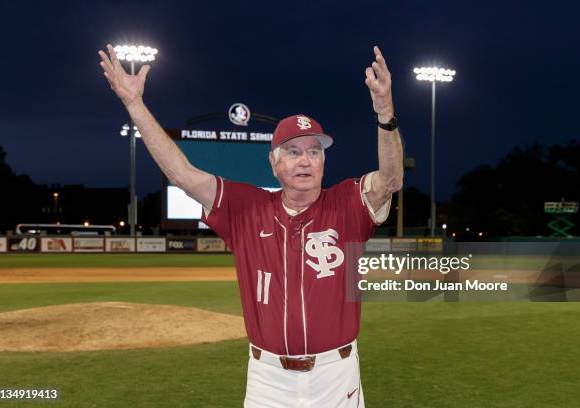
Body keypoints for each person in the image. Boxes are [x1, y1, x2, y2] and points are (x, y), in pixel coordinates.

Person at [99, 44, 403, 407]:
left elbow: (390, 179)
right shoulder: (246, 208)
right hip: (268, 379)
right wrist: (135, 104)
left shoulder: (348, 203)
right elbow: (181, 174)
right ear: (274, 164)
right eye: (293, 151)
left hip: (336, 376)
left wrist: (384, 110)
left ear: (323, 161)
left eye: (314, 151)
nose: (305, 160)